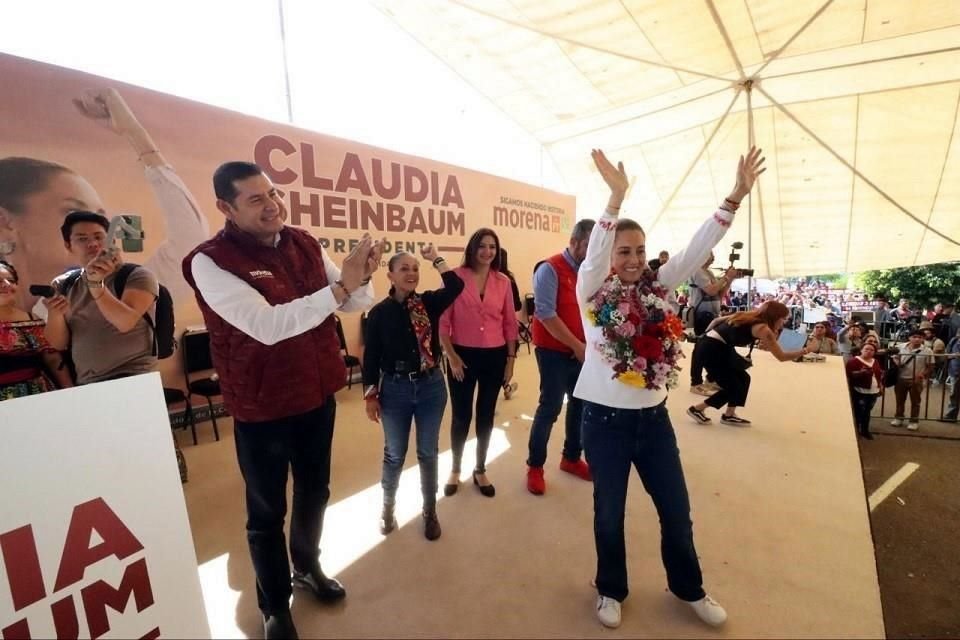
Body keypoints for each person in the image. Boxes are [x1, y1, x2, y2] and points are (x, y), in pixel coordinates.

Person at [182, 161, 382, 640]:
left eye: (272, 193)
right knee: (267, 512)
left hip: (316, 394)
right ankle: (274, 605)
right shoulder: (209, 261)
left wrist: (362, 277)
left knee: (316, 493)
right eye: (256, 199)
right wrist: (341, 286)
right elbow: (268, 326)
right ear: (225, 208)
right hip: (262, 405)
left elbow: (356, 302)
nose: (272, 205)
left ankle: (307, 568)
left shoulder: (304, 242)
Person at [576, 146, 766, 630]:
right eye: (625, 251)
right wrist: (614, 201)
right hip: (604, 421)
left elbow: (697, 247)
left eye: (640, 250)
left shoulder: (660, 288)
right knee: (608, 514)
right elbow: (596, 253)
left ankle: (689, 588)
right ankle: (610, 589)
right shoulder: (592, 294)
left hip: (654, 422)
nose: (634, 259)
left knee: (677, 513)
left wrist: (734, 197)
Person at [0, 88, 209, 314]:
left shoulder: (118, 291)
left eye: (100, 219)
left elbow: (190, 240)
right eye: (73, 212)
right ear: (5, 221)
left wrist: (134, 133)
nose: (95, 231)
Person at [362, 244, 463, 541]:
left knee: (428, 452)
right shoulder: (379, 314)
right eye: (404, 268)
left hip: (431, 387)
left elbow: (455, 284)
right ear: (390, 275)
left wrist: (436, 260)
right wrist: (370, 395)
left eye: (416, 268)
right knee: (394, 454)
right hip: (395, 390)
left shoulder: (428, 303)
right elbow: (370, 359)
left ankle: (430, 511)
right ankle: (388, 508)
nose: (412, 273)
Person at [439, 228, 519, 499]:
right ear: (472, 249)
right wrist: (451, 356)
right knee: (461, 415)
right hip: (462, 355)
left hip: (495, 356)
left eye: (492, 247)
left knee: (486, 413)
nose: (487, 252)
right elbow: (443, 321)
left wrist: (510, 361)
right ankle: (455, 468)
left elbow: (510, 323)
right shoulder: (455, 278)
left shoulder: (504, 282)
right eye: (482, 246)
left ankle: (480, 468)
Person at [42, 211, 160, 384]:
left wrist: (96, 285)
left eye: (99, 236)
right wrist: (55, 313)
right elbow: (58, 344)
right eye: (82, 239)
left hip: (135, 377)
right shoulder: (63, 284)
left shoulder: (136, 275)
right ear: (68, 245)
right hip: (87, 381)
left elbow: (125, 322)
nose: (92, 244)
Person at [526, 218, 595, 495]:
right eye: (589, 246)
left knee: (580, 406)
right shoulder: (549, 268)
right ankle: (535, 466)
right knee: (550, 407)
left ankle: (570, 458)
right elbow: (545, 314)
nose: (593, 252)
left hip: (582, 351)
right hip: (554, 351)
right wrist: (577, 346)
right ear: (575, 242)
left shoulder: (591, 271)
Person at [687, 301, 809, 426]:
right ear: (775, 317)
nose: (784, 322)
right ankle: (697, 409)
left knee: (744, 379)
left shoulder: (747, 315)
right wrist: (806, 350)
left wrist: (704, 338)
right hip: (714, 350)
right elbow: (781, 357)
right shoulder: (764, 329)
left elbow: (715, 321)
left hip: (713, 345)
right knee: (733, 386)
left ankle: (729, 414)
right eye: (783, 319)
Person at [0, 260, 72, 399]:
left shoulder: (32, 320)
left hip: (36, 394)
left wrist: (69, 391)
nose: (7, 285)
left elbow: (52, 359)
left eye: (11, 280)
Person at [687, 253, 736, 395]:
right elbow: (711, 290)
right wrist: (726, 277)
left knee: (713, 347)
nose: (713, 258)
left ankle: (710, 378)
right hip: (702, 315)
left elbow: (719, 294)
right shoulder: (697, 271)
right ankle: (695, 382)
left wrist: (729, 280)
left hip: (713, 314)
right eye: (710, 254)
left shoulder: (708, 272)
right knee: (700, 348)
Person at [889, 330, 934, 432]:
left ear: (923, 339)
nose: (917, 339)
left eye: (920, 337)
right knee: (900, 400)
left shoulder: (927, 351)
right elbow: (894, 358)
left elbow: (930, 366)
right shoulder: (900, 347)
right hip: (901, 378)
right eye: (914, 336)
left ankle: (914, 421)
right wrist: (897, 362)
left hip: (916, 380)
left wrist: (922, 374)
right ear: (909, 337)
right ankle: (898, 417)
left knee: (916, 401)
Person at [846, 341, 883, 439]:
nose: (869, 351)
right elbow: (849, 375)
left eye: (872, 350)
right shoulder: (853, 361)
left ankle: (865, 430)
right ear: (861, 350)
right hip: (860, 391)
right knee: (858, 412)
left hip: (873, 391)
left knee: (867, 412)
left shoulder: (875, 361)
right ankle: (856, 431)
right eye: (866, 349)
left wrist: (880, 387)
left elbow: (878, 376)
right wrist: (860, 373)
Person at [498, 247, 522, 400]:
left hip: (491, 330)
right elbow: (518, 305)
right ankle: (506, 387)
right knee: (503, 363)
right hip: (504, 329)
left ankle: (505, 387)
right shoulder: (508, 280)